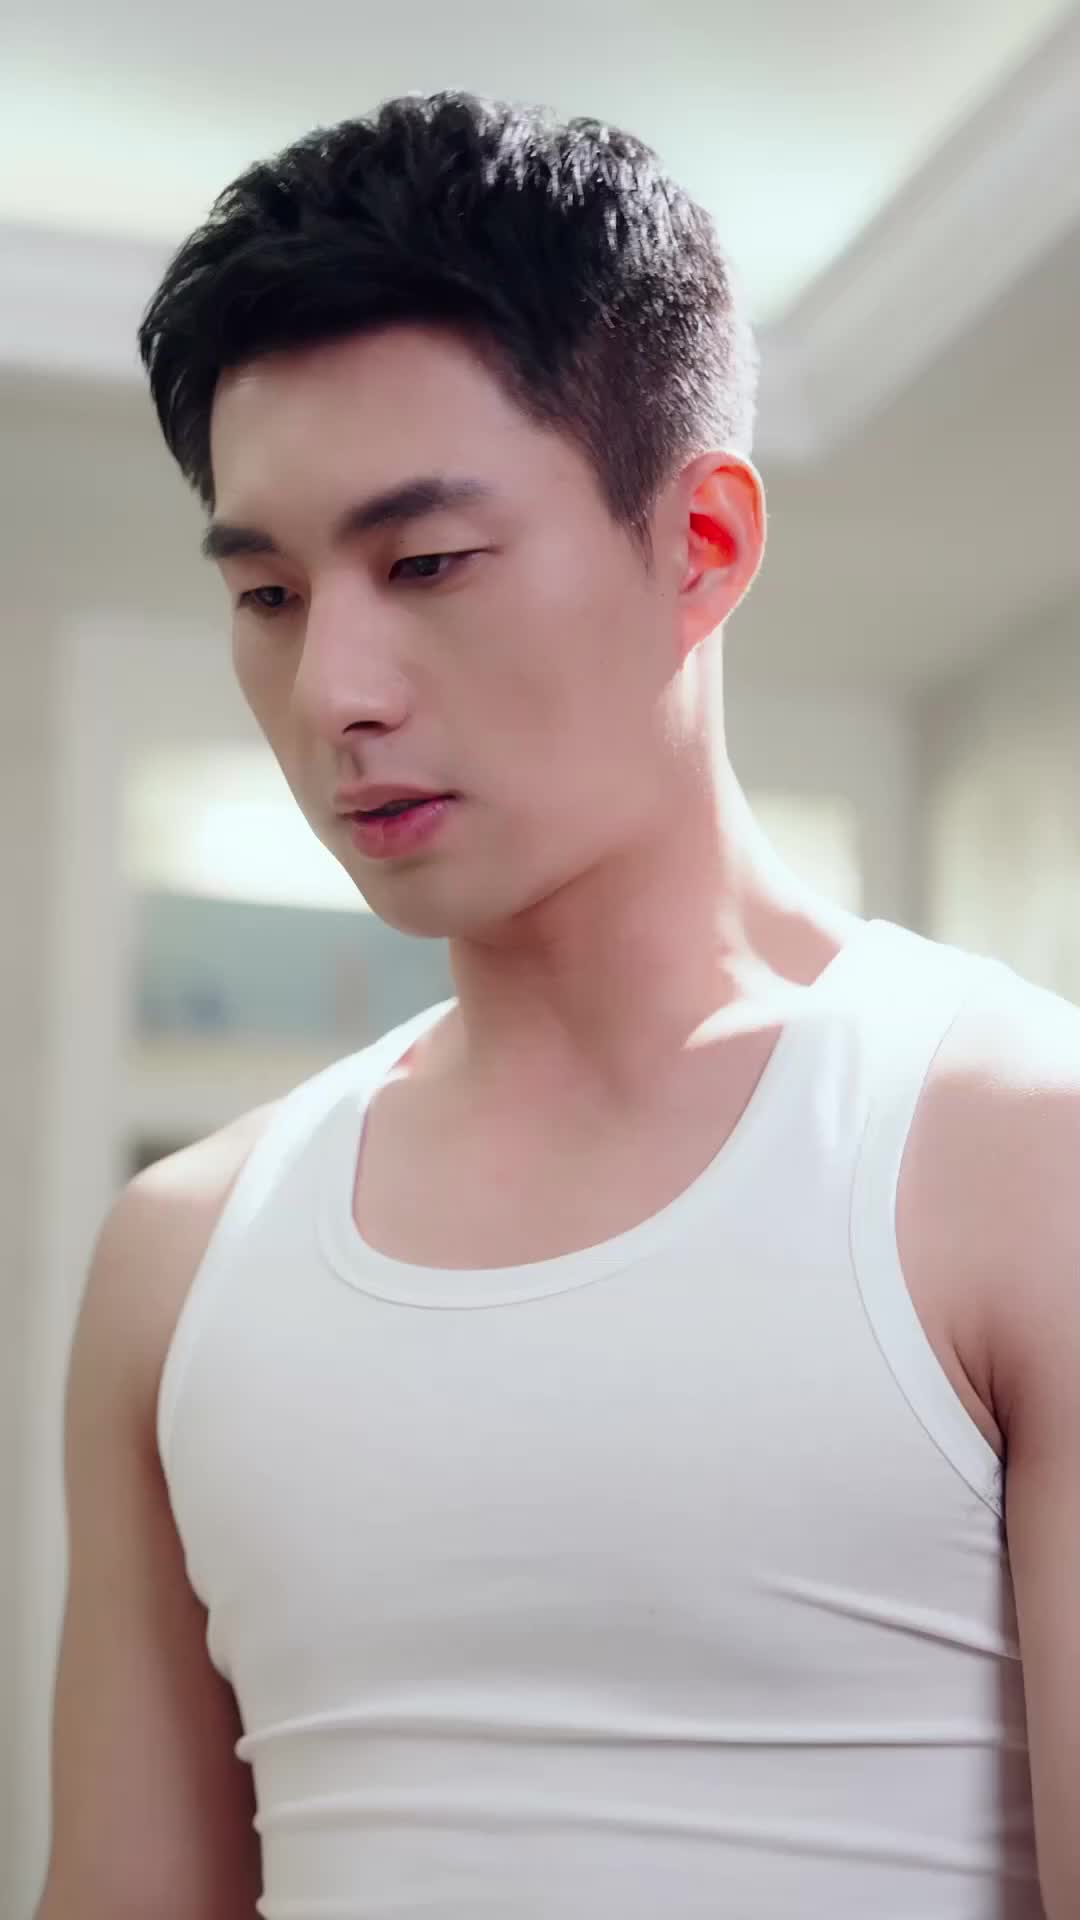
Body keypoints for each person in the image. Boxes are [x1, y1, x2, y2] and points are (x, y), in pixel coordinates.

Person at [37, 92, 1078, 1920]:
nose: (334, 689)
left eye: (425, 564)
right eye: (268, 591)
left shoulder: (1018, 1162)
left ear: (704, 545)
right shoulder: (182, 1261)